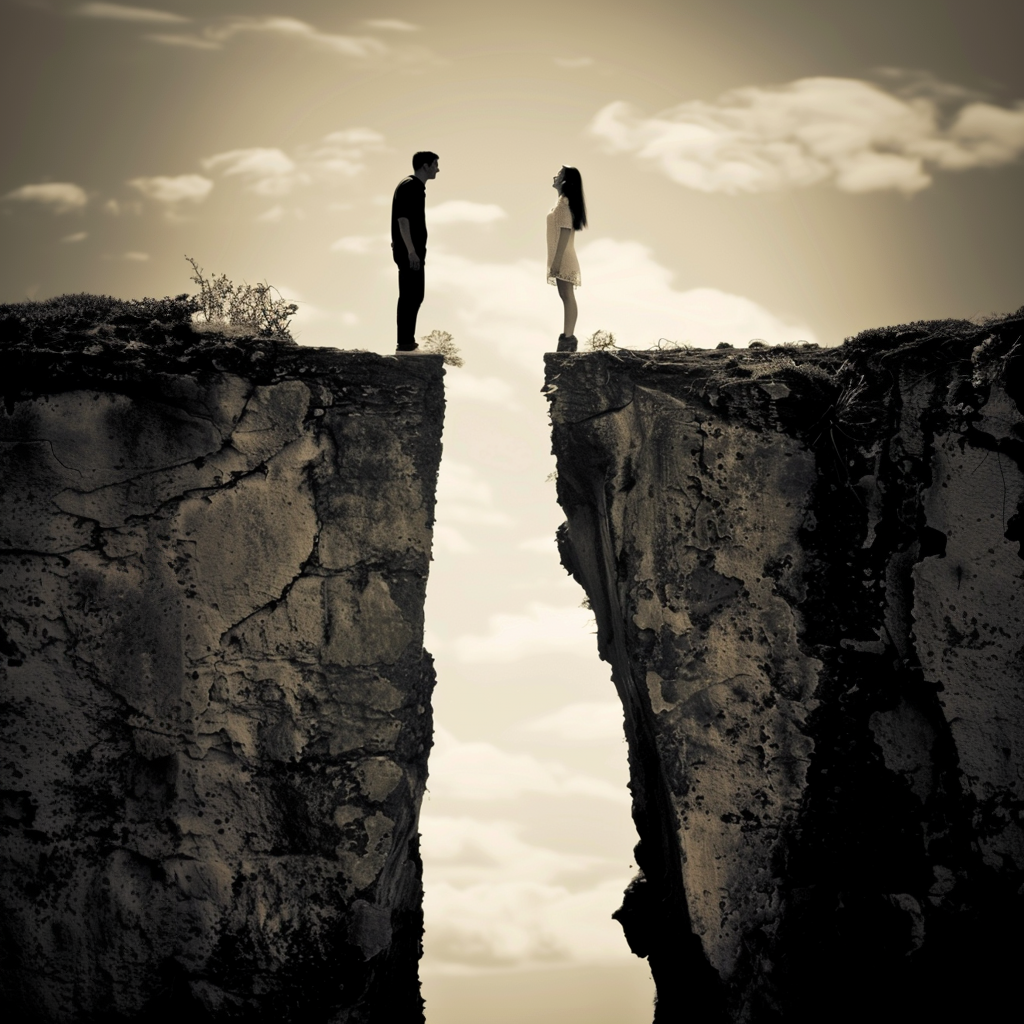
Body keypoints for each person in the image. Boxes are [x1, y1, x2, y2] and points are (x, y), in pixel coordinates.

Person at [391, 151, 439, 353]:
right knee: (411, 296)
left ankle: (406, 343)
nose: (438, 168)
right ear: (425, 166)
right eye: (435, 164)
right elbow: (403, 220)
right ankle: (405, 345)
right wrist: (411, 251)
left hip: (412, 252)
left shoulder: (414, 186)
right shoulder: (411, 186)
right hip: (411, 253)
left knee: (414, 295)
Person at [547, 165, 587, 352]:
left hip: (563, 256)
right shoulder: (562, 203)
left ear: (565, 181)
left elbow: (564, 232)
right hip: (563, 255)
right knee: (565, 296)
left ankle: (568, 338)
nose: (555, 176)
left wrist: (556, 261)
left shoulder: (564, 204)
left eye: (559, 174)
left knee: (567, 296)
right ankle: (568, 337)